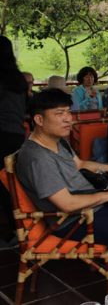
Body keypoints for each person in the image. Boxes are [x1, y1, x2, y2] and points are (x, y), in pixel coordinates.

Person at [17, 88, 108, 289]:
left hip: (91, 209)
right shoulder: (37, 158)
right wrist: (107, 195)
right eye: (59, 114)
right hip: (72, 221)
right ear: (39, 120)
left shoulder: (58, 140)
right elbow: (67, 204)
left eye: (68, 111)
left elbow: (80, 164)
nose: (68, 118)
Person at [0, 36, 28, 244]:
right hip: (17, 136)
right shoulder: (17, 78)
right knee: (12, 185)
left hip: (1, 135)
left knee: (3, 187)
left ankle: (15, 232)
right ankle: (22, 229)